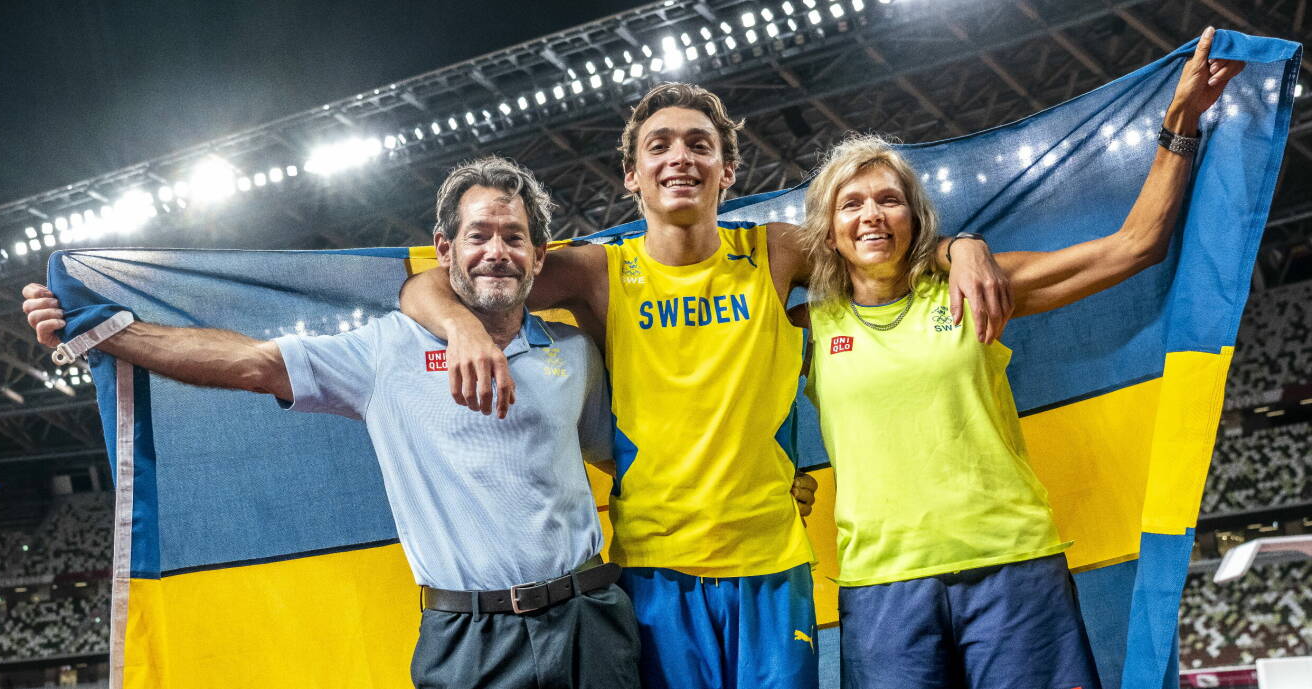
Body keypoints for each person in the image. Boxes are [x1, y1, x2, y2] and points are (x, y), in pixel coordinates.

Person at [399, 83, 1013, 689]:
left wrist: (961, 247)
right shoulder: (602, 272)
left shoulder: (774, 251)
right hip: (655, 571)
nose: (680, 158)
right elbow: (430, 282)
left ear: (728, 171)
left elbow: (877, 246)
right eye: (659, 145)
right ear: (632, 175)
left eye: (700, 144)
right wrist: (461, 328)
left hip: (771, 565)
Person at [23, 156, 641, 689]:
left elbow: (623, 457)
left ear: (538, 258)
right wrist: (109, 331)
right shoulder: (386, 353)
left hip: (591, 618)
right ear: (445, 249)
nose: (497, 253)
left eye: (515, 237)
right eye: (479, 235)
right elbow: (251, 363)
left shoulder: (575, 353)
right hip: (470, 637)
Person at [795, 28, 1241, 689]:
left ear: (916, 218)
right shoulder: (805, 326)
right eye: (851, 203)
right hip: (882, 589)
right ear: (828, 228)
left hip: (1012, 566)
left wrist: (1179, 125)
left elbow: (1133, 246)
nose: (871, 215)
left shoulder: (976, 284)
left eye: (888, 198)